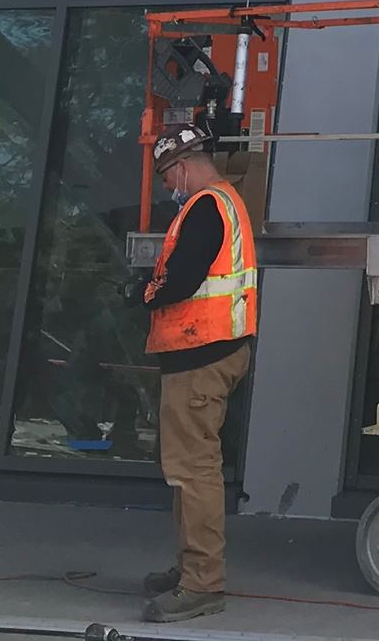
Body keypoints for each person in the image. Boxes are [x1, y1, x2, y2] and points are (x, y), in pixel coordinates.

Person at [132, 123, 259, 625]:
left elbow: (181, 279)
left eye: (166, 177)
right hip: (211, 352)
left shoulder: (206, 207)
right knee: (188, 470)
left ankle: (202, 583)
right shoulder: (225, 203)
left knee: (193, 472)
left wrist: (143, 291)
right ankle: (191, 570)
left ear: (181, 167)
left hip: (200, 355)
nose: (168, 187)